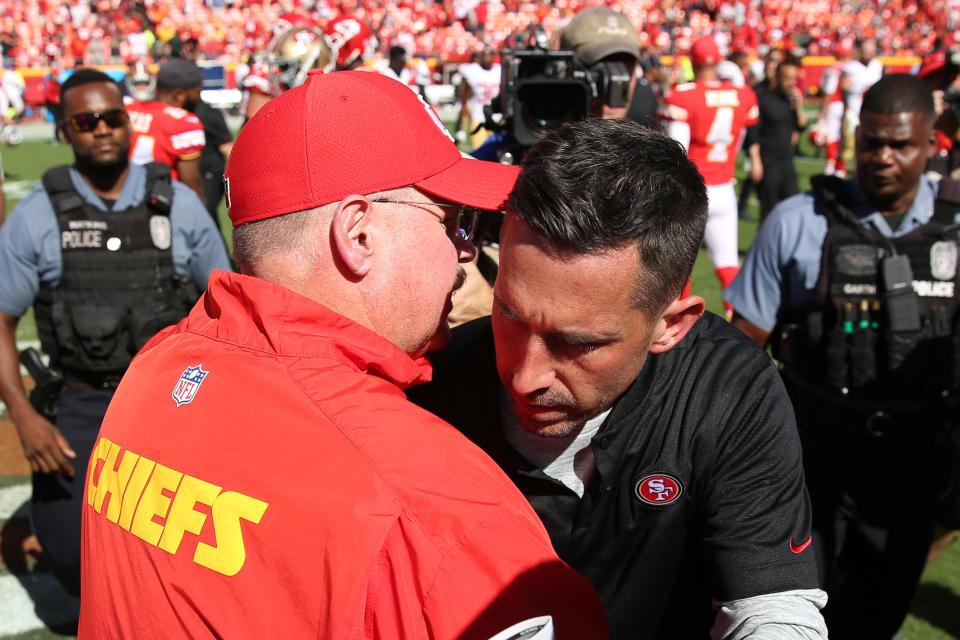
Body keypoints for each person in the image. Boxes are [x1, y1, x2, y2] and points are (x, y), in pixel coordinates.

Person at [78, 70, 609, 640]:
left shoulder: (154, 367)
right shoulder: (433, 509)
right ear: (357, 235)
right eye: (455, 220)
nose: (466, 250)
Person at [410, 118, 827, 640]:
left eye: (579, 343)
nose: (524, 376)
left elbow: (773, 608)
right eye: (510, 317)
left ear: (671, 325)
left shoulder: (730, 389)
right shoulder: (433, 382)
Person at [726, 73, 959, 639]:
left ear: (931, 144)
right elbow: (740, 355)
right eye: (872, 141)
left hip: (915, 460)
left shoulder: (955, 230)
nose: (882, 157)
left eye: (900, 144)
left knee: (879, 615)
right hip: (811, 457)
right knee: (793, 611)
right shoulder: (798, 221)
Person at [0, 68, 228, 596]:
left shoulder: (178, 204)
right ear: (65, 129)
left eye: (112, 118)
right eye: (86, 121)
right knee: (73, 556)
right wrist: (25, 417)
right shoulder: (39, 214)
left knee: (192, 553)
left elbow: (224, 303)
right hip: (81, 396)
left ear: (130, 122)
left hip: (171, 397)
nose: (101, 129)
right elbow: (3, 322)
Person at [659, 35, 758, 311]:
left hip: (693, 189)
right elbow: (738, 141)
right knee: (728, 264)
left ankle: (676, 332)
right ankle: (739, 323)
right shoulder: (742, 95)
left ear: (693, 61)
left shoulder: (685, 95)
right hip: (725, 187)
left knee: (679, 267)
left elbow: (679, 149)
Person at [126, 59, 207, 205]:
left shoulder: (129, 110)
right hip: (161, 202)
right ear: (179, 95)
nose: (198, 98)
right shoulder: (185, 123)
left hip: (126, 198)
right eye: (196, 93)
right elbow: (191, 182)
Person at [745, 55, 808, 220]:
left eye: (794, 79)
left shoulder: (790, 99)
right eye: (787, 78)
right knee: (768, 214)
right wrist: (755, 161)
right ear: (777, 76)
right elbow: (752, 133)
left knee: (795, 207)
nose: (791, 83)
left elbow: (801, 125)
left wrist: (800, 105)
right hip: (768, 161)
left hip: (786, 160)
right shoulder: (763, 97)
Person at [457, 46, 501, 150]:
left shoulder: (499, 70)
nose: (487, 58)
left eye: (489, 55)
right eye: (484, 55)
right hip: (478, 115)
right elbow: (465, 86)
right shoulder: (472, 70)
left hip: (496, 116)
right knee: (479, 149)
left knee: (497, 150)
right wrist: (463, 104)